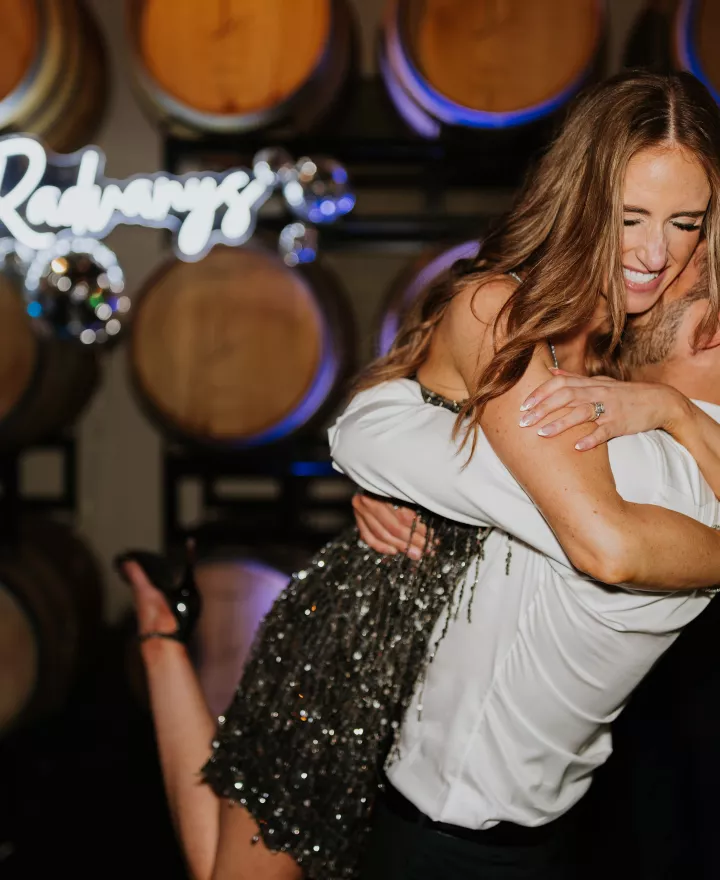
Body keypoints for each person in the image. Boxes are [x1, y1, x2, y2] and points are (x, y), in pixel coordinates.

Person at [122, 70, 720, 880]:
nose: (657, 253)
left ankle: (162, 636)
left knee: (227, 858)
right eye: (631, 217)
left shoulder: (630, 352)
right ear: (581, 200)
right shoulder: (506, 310)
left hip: (455, 679)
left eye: (685, 222)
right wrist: (390, 477)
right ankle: (161, 643)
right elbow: (397, 393)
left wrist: (674, 413)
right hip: (373, 631)